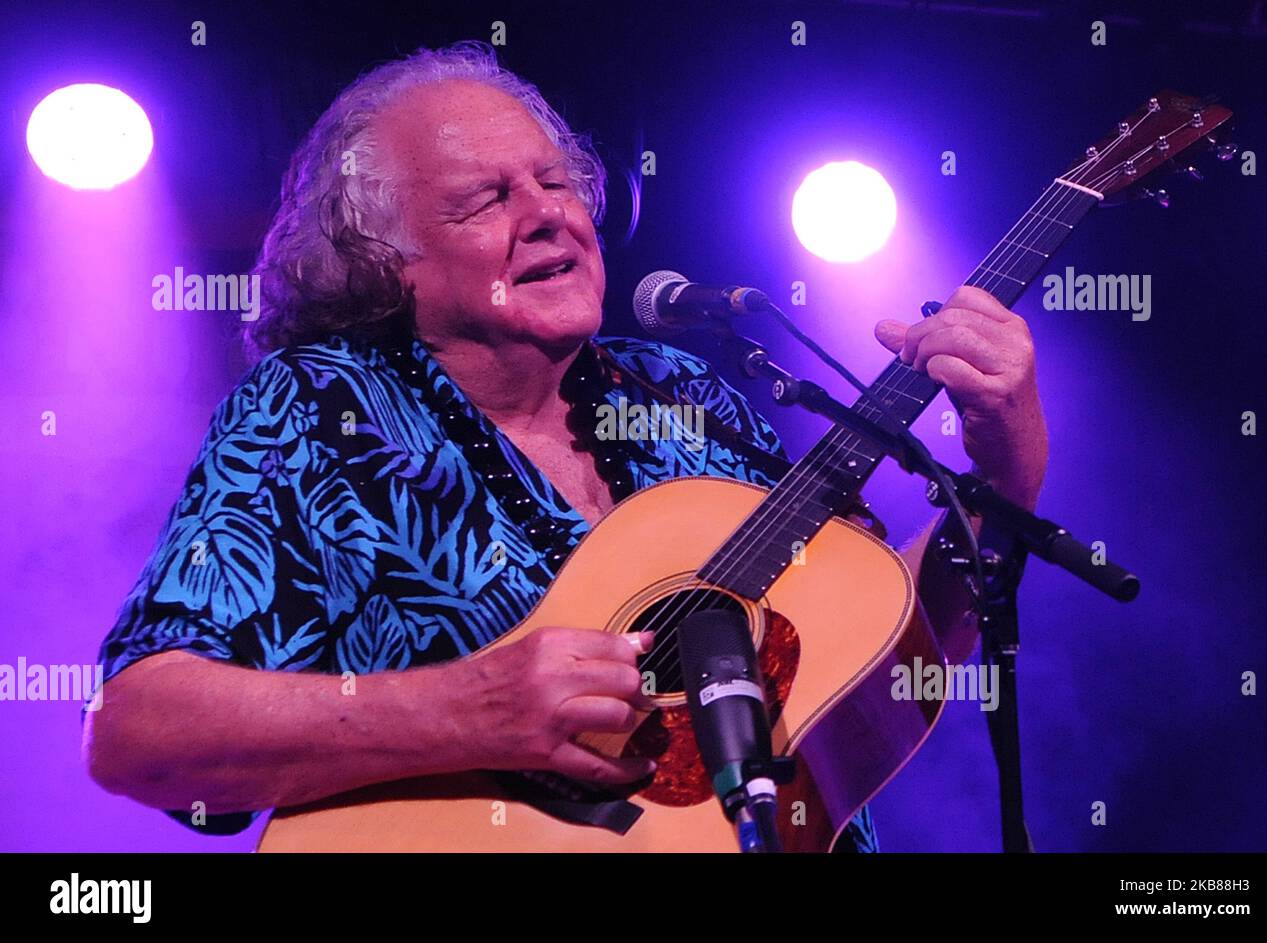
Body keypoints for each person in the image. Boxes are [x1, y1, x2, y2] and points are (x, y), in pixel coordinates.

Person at [83, 41, 1048, 852]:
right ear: (386, 262)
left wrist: (1006, 460)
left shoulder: (685, 396)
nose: (547, 213)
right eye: (483, 199)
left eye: (556, 182)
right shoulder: (324, 410)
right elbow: (140, 730)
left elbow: (890, 649)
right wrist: (473, 707)